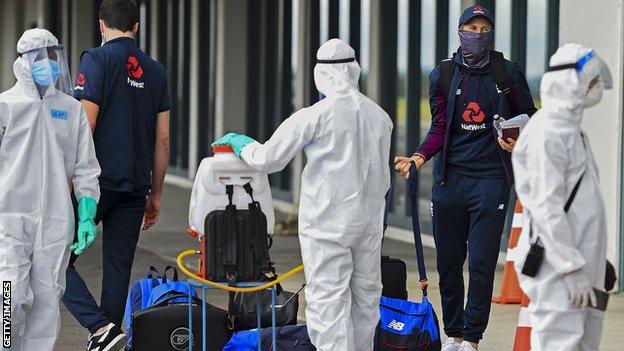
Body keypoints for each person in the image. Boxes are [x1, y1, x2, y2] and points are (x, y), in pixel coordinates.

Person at [213, 39, 392, 351]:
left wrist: (242, 144)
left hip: (327, 224)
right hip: (368, 223)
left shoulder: (314, 115)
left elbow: (269, 158)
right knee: (366, 299)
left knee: (328, 301)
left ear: (320, 73)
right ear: (353, 71)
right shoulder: (379, 116)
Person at [395, 5, 536, 351]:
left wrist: (517, 137)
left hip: (491, 181)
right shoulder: (442, 75)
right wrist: (418, 157)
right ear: (460, 31)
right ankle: (453, 334)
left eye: (483, 28)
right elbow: (440, 127)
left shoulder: (507, 72)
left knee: (483, 263)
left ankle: (471, 339)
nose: (477, 33)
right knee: (448, 264)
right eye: (471, 27)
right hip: (450, 181)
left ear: (491, 33)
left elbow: (531, 117)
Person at [61, 0, 171, 350]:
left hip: (95, 184)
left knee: (54, 258)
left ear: (101, 25)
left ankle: (98, 328)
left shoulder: (95, 59)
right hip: (135, 186)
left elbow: (85, 124)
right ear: (137, 27)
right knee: (118, 268)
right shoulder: (156, 71)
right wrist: (155, 193)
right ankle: (106, 340)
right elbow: (163, 138)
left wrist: (68, 178)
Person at [0, 28, 101, 350]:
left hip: (56, 222)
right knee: (10, 297)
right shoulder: (6, 106)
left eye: (53, 58)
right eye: (41, 59)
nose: (51, 66)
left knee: (46, 305)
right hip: (8, 220)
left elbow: (86, 167)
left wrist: (86, 214)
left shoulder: (71, 109)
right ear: (25, 62)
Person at [512, 43, 612, 351]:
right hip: (559, 270)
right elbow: (546, 207)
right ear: (572, 82)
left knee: (582, 343)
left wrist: (596, 261)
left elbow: (581, 202)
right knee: (560, 342)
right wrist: (569, 267)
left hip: (580, 263)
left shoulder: (571, 131)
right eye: (592, 82)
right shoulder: (549, 132)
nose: (595, 89)